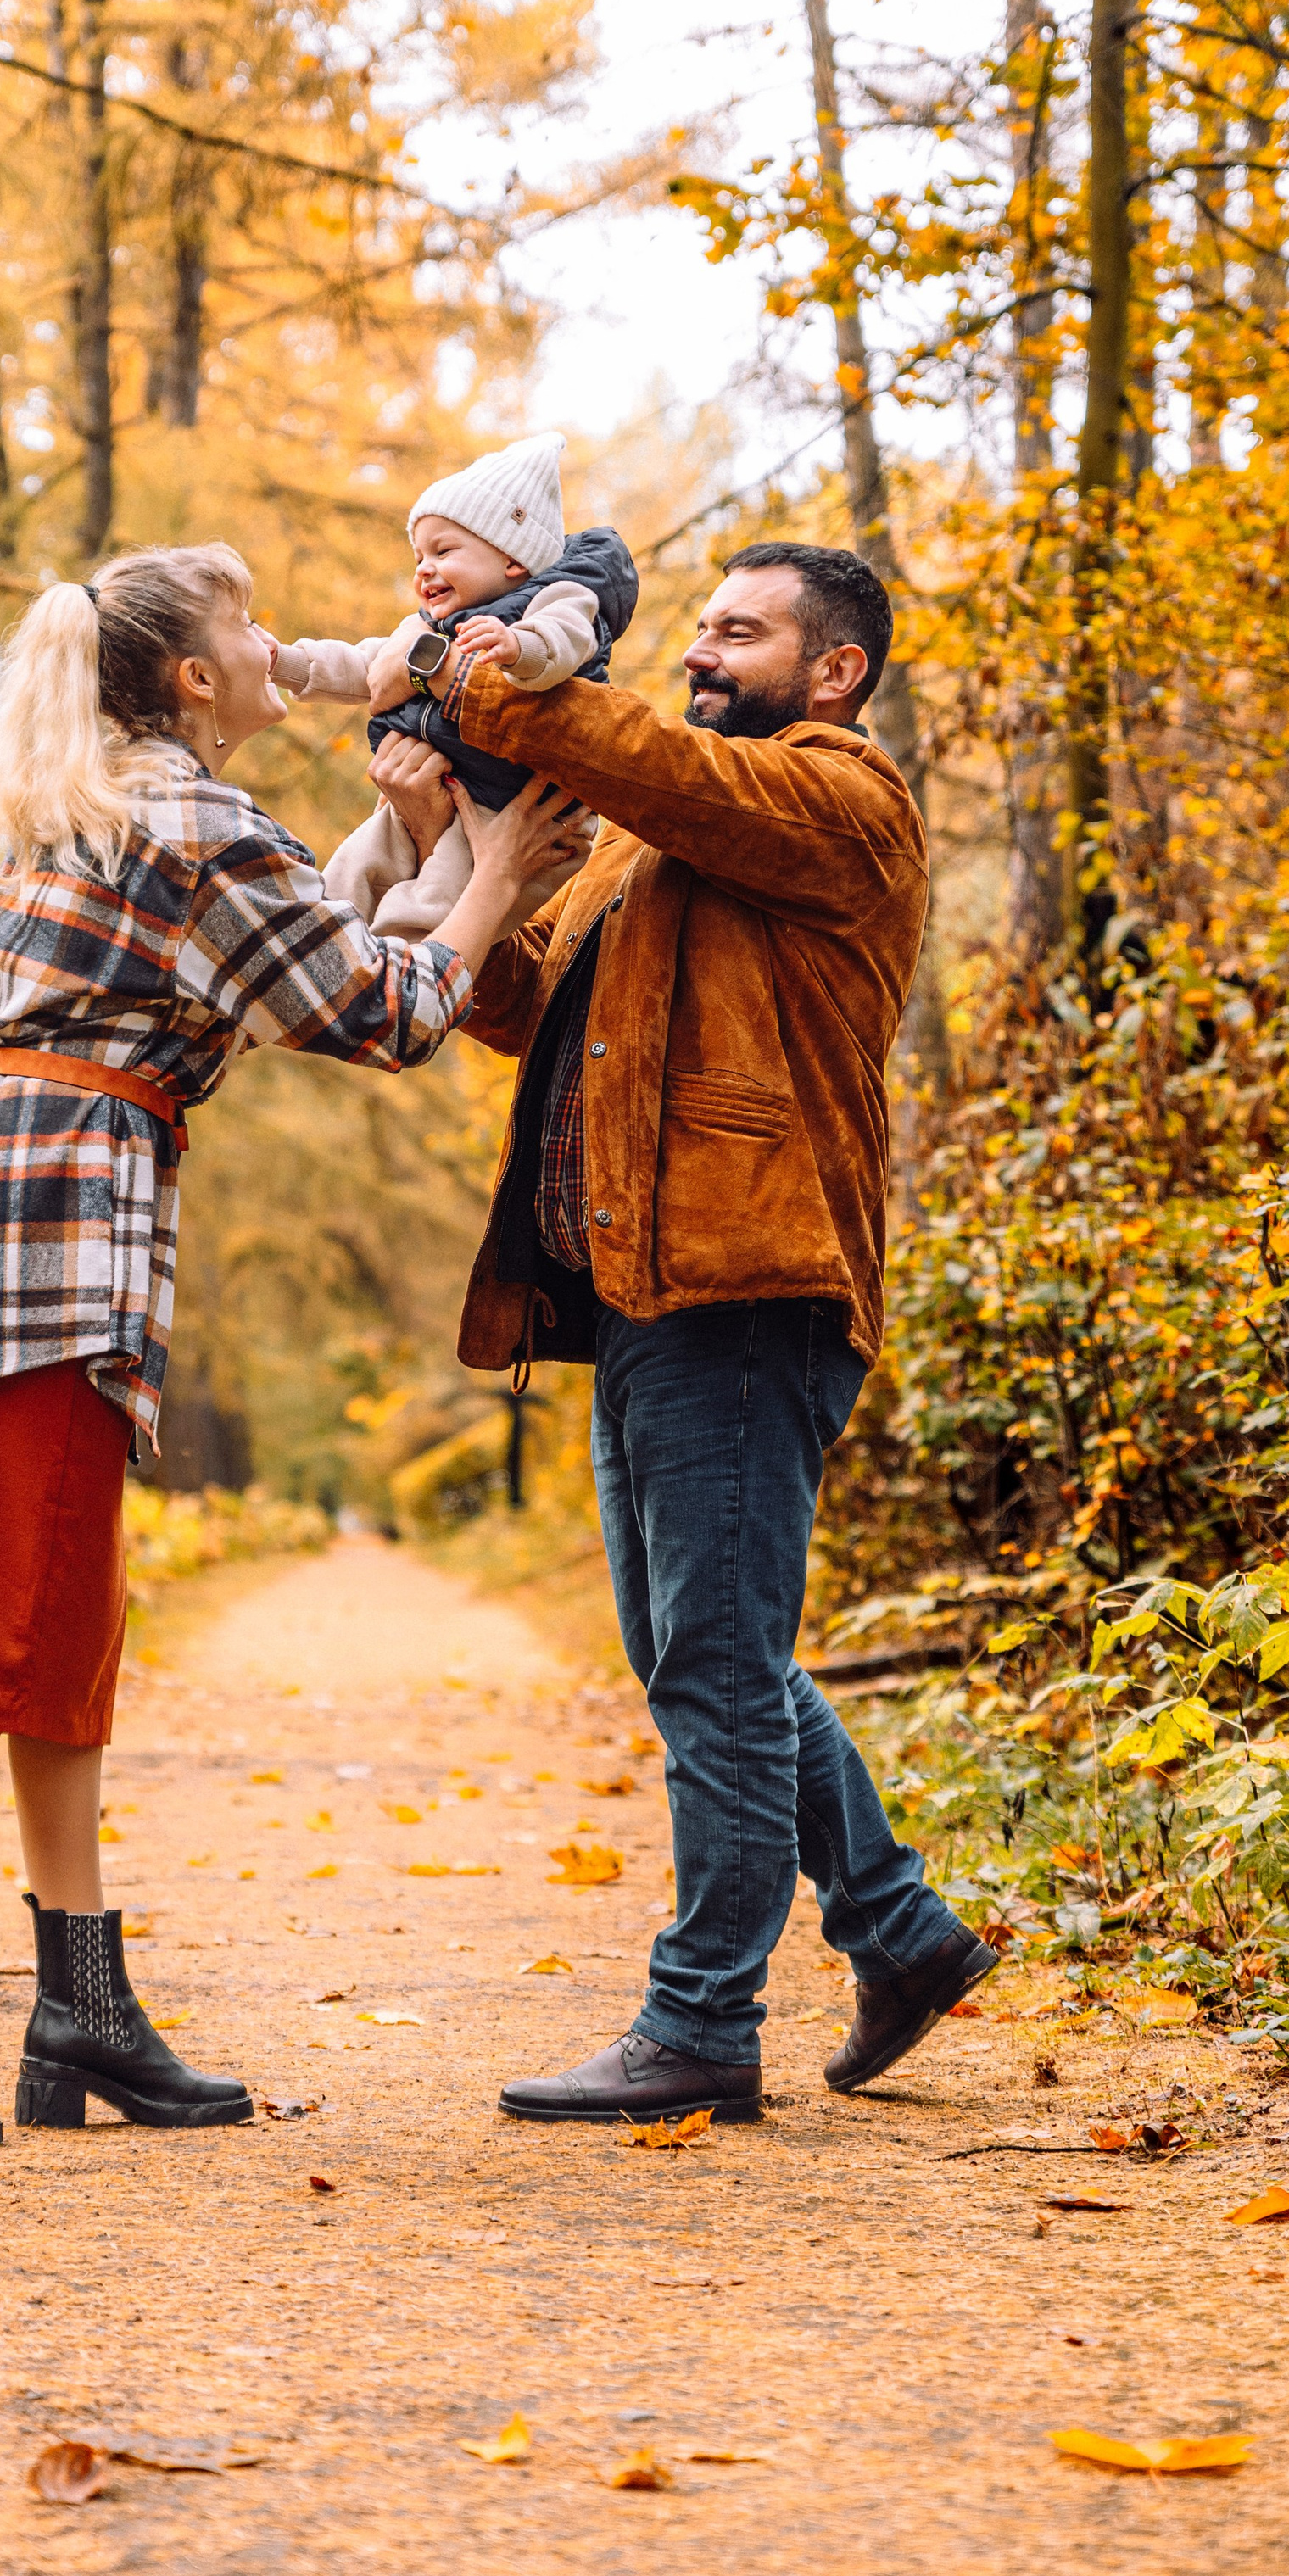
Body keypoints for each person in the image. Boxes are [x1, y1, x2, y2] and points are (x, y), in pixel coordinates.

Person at [0, 541, 587, 2149]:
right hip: (41, 1242)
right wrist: (496, 870)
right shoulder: (193, 820)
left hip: (10, 1225)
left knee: (52, 1626)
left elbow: (293, 953)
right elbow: (383, 1011)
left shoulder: (123, 804)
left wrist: (429, 848)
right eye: (249, 625)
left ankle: (81, 2008)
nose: (281, 642)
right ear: (197, 677)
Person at [370, 539, 997, 2124]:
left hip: (749, 1283)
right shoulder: (663, 845)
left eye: (740, 628)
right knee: (701, 1653)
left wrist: (516, 668)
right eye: (700, 624)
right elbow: (515, 1005)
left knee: (713, 1659)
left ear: (834, 667)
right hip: (647, 1292)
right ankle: (900, 1931)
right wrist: (452, 834)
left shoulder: (840, 796)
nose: (705, 648)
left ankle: (706, 2017)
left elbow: (638, 748)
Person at [274, 431, 637, 936]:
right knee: (349, 871)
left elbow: (566, 640)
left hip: (510, 809)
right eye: (419, 556)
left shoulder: (562, 596)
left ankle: (397, 986)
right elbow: (364, 663)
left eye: (443, 551)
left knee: (431, 905)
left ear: (512, 558)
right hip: (444, 786)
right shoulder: (429, 628)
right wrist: (287, 661)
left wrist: (518, 647)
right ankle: (312, 948)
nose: (425, 569)